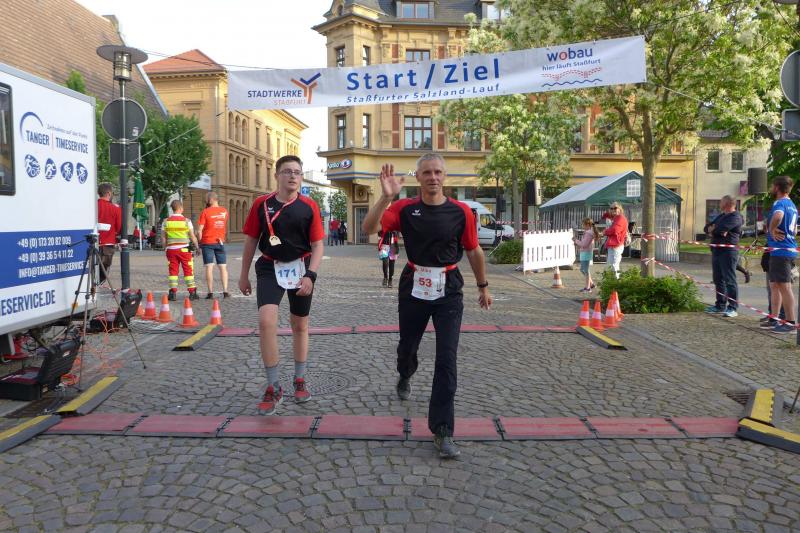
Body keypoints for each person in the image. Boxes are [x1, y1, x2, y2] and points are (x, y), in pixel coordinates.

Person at [361, 153, 492, 460]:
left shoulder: (461, 212)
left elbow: (474, 251)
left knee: (447, 358)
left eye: (437, 172)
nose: (433, 177)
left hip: (449, 288)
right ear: (418, 177)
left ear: (444, 176)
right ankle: (405, 372)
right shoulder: (405, 208)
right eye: (427, 173)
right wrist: (386, 198)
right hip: (414, 284)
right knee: (408, 346)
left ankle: (442, 429)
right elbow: (369, 228)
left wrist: (483, 286)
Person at [239, 155, 324, 415]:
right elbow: (251, 240)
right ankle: (274, 386)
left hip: (301, 268)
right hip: (269, 266)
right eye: (287, 171)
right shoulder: (261, 204)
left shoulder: (309, 206)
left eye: (297, 172)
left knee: (300, 324)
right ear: (277, 175)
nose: (293, 176)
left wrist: (310, 275)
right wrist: (243, 275)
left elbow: (318, 245)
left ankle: (300, 379)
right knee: (266, 321)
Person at [764, 176, 798, 333]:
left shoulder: (780, 203)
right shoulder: (792, 205)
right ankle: (774, 319)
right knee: (775, 285)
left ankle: (790, 323)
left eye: (773, 186)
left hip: (781, 250)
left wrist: (771, 230)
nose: (771, 188)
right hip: (785, 249)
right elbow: (795, 230)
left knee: (784, 286)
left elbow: (778, 216)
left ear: (777, 187)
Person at [703, 195, 743, 318]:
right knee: (718, 279)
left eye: (721, 202)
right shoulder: (721, 216)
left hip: (728, 252)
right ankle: (720, 305)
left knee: (729, 280)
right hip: (717, 250)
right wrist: (713, 229)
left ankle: (733, 307)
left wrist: (715, 230)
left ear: (727, 203)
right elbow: (706, 228)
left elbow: (720, 230)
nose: (719, 204)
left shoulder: (735, 217)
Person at [161, 200, 200, 301]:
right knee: (188, 270)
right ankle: (192, 292)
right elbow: (192, 236)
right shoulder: (187, 221)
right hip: (184, 250)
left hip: (171, 250)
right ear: (181, 208)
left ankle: (172, 292)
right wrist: (197, 247)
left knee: (173, 271)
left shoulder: (166, 221)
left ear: (172, 209)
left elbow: (163, 238)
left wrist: (165, 248)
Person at [197, 191, 230, 299]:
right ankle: (225, 291)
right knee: (223, 267)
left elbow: (199, 231)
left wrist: (199, 243)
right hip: (220, 242)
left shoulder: (205, 212)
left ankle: (210, 292)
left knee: (209, 267)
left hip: (207, 242)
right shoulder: (224, 211)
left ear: (210, 200)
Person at [97, 183, 121, 285]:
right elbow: (119, 227)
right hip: (108, 244)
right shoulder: (115, 208)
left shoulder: (93, 206)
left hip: (93, 242)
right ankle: (97, 286)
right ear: (109, 193)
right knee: (103, 271)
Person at [601, 202, 628, 279]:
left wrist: (605, 232)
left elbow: (615, 230)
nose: (613, 210)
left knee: (614, 265)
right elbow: (604, 216)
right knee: (610, 265)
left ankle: (617, 282)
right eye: (611, 208)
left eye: (615, 208)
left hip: (617, 245)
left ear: (620, 209)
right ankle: (611, 282)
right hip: (612, 245)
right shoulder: (615, 218)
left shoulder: (620, 218)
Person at [574, 218, 599, 292]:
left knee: (585, 270)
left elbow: (584, 244)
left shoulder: (588, 233)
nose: (582, 226)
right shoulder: (589, 232)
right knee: (583, 269)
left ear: (587, 225)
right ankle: (591, 284)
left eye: (583, 224)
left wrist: (576, 240)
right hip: (585, 252)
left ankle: (588, 288)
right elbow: (584, 244)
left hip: (586, 253)